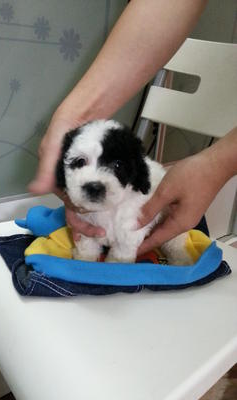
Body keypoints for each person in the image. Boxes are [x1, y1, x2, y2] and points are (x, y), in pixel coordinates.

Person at [29, 0, 237, 255]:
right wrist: (75, 115)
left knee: (169, 250)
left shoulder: (142, 191)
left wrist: (218, 163)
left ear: (137, 175)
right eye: (80, 162)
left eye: (117, 167)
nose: (95, 180)